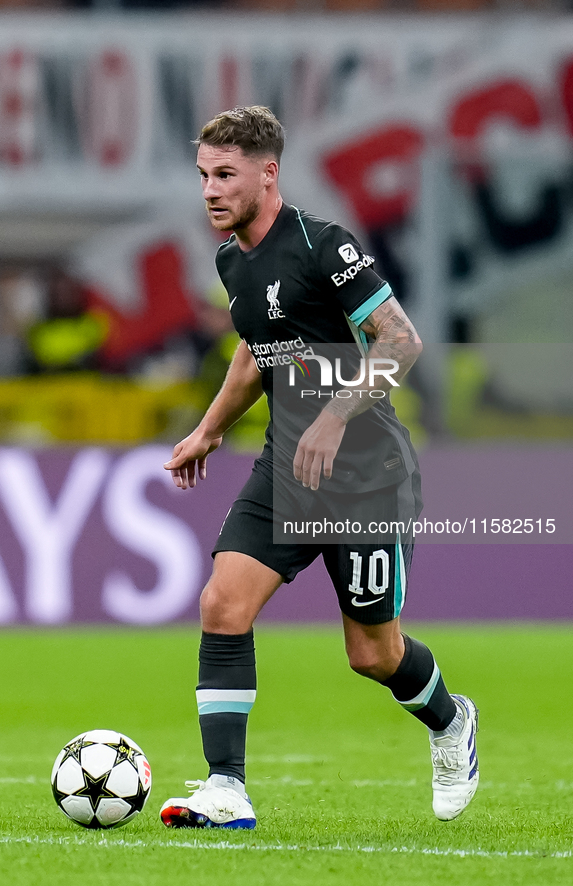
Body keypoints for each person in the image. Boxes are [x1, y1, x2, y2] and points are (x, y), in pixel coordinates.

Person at [160, 106, 479, 830]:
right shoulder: (231, 260)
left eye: (225, 175)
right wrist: (209, 430)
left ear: (267, 174)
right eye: (204, 175)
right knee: (222, 603)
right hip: (285, 470)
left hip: (364, 475)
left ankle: (450, 721)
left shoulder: (322, 244)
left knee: (371, 654)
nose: (209, 190)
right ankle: (226, 787)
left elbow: (401, 340)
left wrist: (334, 415)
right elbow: (254, 349)